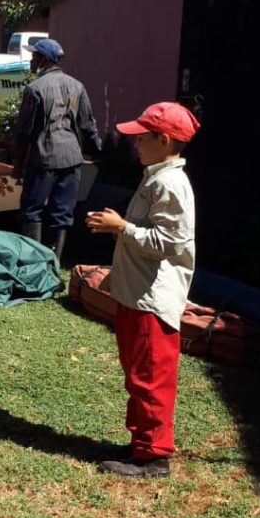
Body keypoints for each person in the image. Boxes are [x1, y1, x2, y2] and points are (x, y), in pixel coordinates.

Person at [86, 101, 200, 478]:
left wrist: (123, 228)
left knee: (151, 375)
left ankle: (153, 456)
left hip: (153, 299)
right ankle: (142, 443)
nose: (133, 142)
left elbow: (171, 242)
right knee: (138, 372)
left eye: (141, 136)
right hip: (137, 293)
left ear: (164, 140)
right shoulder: (156, 175)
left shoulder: (169, 183)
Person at [11, 37, 101, 263]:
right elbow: (88, 124)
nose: (31, 60)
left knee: (32, 210)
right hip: (72, 158)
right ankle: (54, 262)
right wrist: (99, 152)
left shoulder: (35, 89)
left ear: (43, 60)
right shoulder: (77, 86)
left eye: (34, 56)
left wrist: (17, 163)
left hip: (45, 158)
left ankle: (34, 263)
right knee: (62, 213)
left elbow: (24, 131)